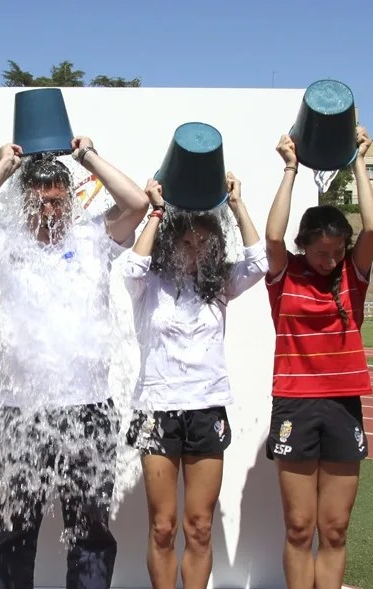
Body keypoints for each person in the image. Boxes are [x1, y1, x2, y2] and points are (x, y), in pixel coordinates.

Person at [0, 138, 148, 589]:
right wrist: (5, 165)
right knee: (14, 534)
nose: (51, 210)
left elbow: (135, 203)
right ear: (24, 202)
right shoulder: (3, 241)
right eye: (41, 202)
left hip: (89, 409)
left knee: (91, 532)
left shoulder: (95, 237)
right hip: (19, 413)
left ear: (71, 200)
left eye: (59, 201)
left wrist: (87, 157)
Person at [122, 174, 266, 589]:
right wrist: (156, 211)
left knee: (200, 526)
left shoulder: (219, 285)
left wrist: (236, 205)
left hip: (206, 408)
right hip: (156, 410)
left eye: (204, 243)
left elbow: (259, 262)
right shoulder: (150, 284)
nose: (195, 250)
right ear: (171, 243)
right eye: (187, 243)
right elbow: (131, 266)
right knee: (163, 527)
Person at [264, 127, 373, 589]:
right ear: (304, 247)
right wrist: (290, 169)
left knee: (333, 529)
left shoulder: (353, 276)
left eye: (336, 252)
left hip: (341, 406)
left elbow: (372, 225)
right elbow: (273, 234)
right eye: (320, 252)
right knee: (299, 528)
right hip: (294, 403)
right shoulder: (285, 273)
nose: (328, 260)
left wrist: (357, 159)